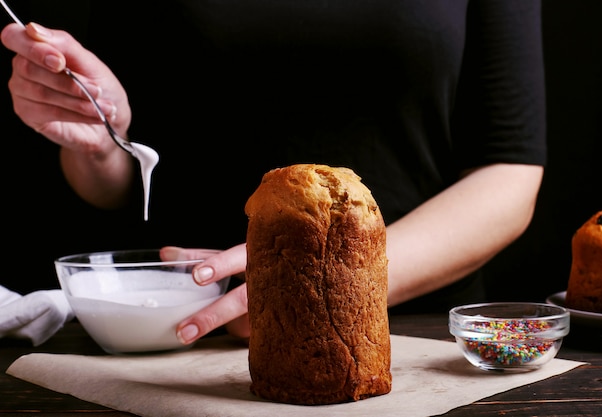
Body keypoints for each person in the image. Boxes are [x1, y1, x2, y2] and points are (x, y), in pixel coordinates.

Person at [1, 0, 546, 344]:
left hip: (415, 336)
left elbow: (508, 175)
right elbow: (118, 181)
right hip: (184, 328)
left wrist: (326, 284)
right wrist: (97, 142)